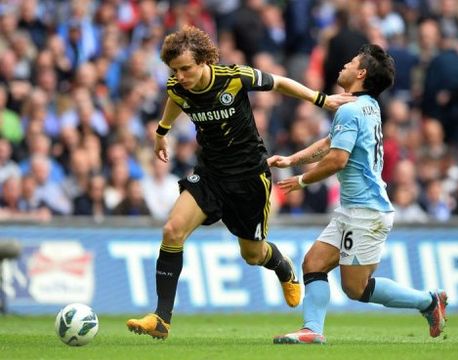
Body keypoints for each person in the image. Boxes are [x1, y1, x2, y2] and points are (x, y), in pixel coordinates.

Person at [126, 26, 355, 340]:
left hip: (249, 177)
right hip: (210, 173)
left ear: (204, 60)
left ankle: (280, 264)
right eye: (175, 70)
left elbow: (280, 83)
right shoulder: (178, 86)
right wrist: (162, 131)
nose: (180, 76)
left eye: (186, 69)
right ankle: (161, 318)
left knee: (252, 254)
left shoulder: (232, 77)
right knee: (172, 230)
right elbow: (175, 99)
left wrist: (321, 99)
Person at [268, 44, 448, 345]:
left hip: (366, 211)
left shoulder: (350, 109)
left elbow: (337, 158)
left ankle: (428, 302)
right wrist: (291, 159)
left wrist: (300, 181)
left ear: (361, 73)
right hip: (353, 208)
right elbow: (330, 141)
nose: (344, 65)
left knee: (356, 288)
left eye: (350, 62)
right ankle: (312, 329)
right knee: (313, 263)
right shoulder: (368, 106)